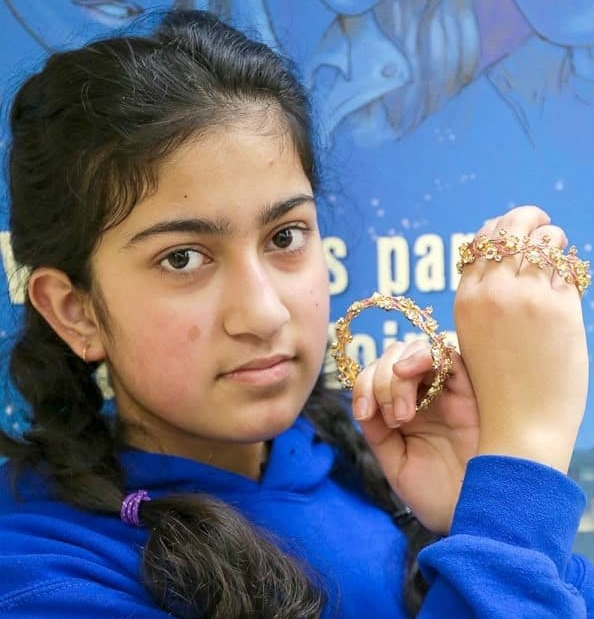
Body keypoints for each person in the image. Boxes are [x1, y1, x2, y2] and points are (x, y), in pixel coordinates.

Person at [0, 8, 592, 618]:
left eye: (285, 237)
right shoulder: (42, 573)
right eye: (182, 258)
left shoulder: (372, 470)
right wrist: (522, 463)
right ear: (76, 312)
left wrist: (472, 518)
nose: (262, 313)